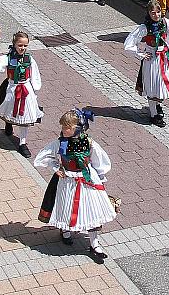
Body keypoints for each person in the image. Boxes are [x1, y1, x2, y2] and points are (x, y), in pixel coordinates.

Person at [33, 109, 116, 257]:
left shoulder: (89, 143)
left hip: (86, 179)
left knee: (92, 210)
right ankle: (65, 231)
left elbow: (99, 162)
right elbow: (43, 157)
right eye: (63, 127)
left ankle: (94, 243)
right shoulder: (60, 143)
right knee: (66, 205)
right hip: (67, 180)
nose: (63, 130)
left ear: (77, 128)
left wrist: (99, 178)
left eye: (67, 127)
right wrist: (55, 168)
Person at [0, 32, 44, 158]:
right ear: (14, 44)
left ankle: (22, 143)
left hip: (26, 89)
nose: (22, 48)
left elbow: (35, 76)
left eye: (25, 45)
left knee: (25, 115)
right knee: (9, 110)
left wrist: (34, 91)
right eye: (20, 45)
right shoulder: (8, 58)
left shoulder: (30, 59)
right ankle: (8, 124)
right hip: (12, 88)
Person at [124, 0, 169, 127]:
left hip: (165, 60)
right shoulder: (144, 28)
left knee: (162, 86)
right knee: (152, 87)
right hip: (152, 61)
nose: (156, 15)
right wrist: (141, 54)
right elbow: (128, 44)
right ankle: (154, 115)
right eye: (153, 13)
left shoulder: (166, 23)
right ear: (148, 13)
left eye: (158, 12)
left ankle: (157, 106)